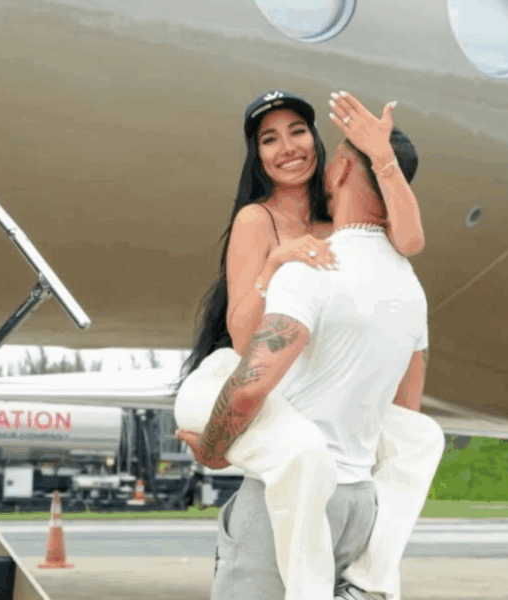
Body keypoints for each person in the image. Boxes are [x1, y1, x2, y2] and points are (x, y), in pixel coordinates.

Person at [175, 91, 444, 600]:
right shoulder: (259, 220)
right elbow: (243, 342)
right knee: (317, 442)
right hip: (269, 393)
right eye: (269, 139)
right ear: (256, 154)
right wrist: (275, 263)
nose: (287, 148)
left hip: (309, 445)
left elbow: (410, 241)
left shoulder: (340, 228)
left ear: (333, 160)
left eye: (297, 131)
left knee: (417, 436)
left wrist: (381, 156)